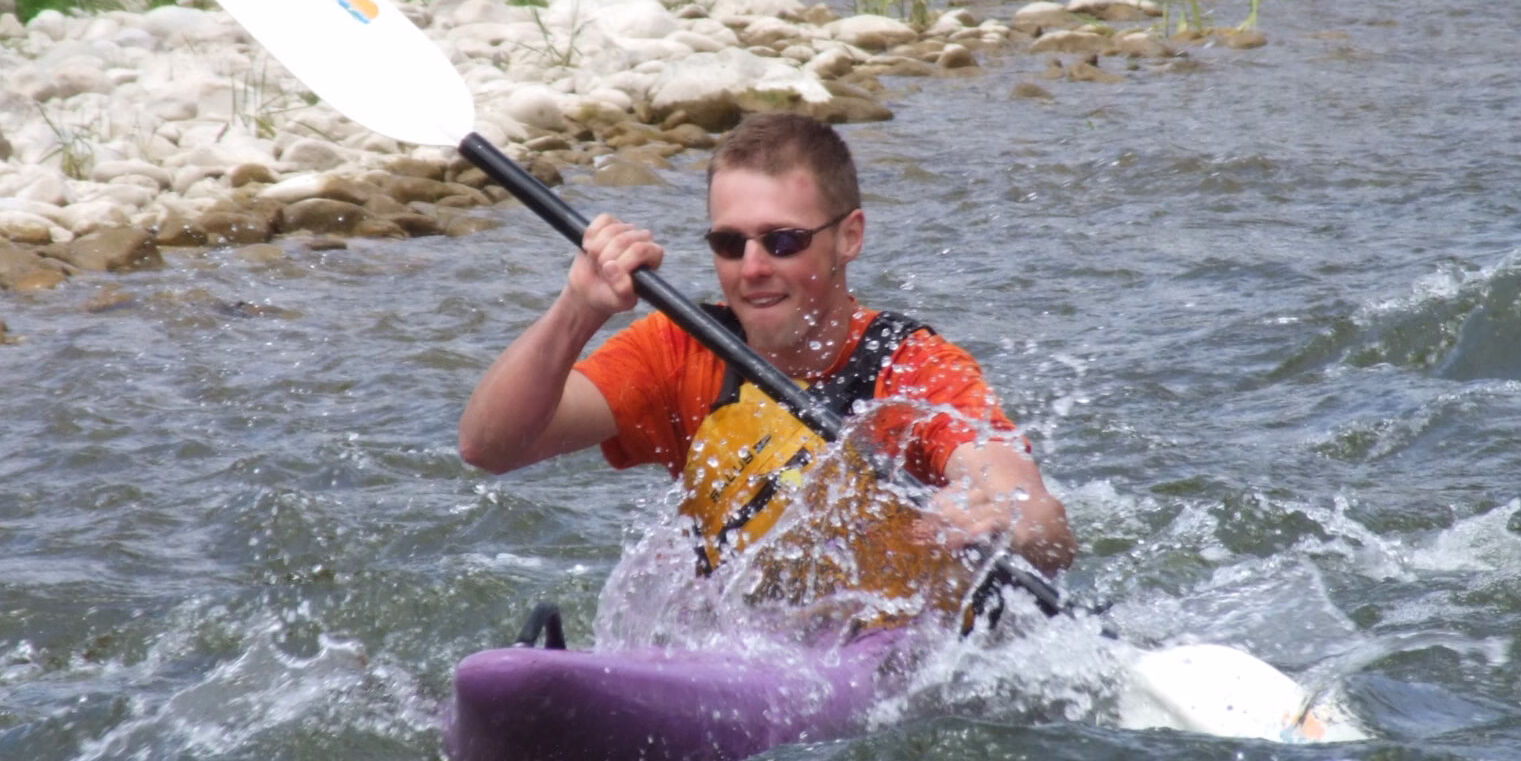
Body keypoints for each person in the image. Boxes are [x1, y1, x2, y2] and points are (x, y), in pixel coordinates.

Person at [459, 113, 1074, 624]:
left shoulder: (910, 366)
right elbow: (491, 446)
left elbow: (1041, 517)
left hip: (897, 649)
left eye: (782, 241)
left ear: (849, 238)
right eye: (730, 243)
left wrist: (1002, 519)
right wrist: (577, 309)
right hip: (748, 640)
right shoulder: (679, 348)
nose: (751, 268)